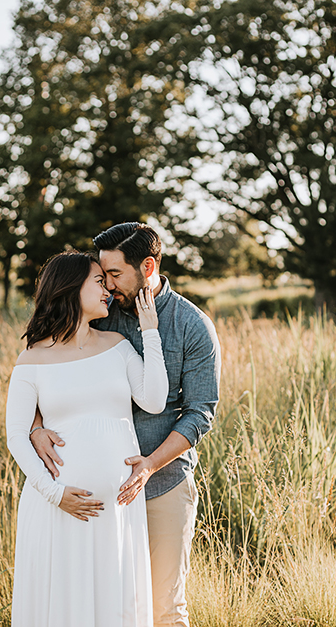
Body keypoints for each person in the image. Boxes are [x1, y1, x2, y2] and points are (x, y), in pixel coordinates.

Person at [31, 223, 221, 627]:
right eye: (102, 275)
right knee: (108, 609)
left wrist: (150, 463)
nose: (107, 284)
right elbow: (46, 364)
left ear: (147, 266)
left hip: (162, 486)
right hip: (99, 493)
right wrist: (34, 424)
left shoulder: (192, 325)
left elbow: (200, 411)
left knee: (164, 609)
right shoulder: (99, 312)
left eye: (115, 275)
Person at [6, 250, 168, 627]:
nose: (108, 289)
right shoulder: (32, 359)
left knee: (114, 604)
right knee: (62, 606)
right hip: (58, 506)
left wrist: (150, 330)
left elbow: (155, 400)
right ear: (70, 287)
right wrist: (55, 493)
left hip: (117, 508)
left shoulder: (118, 345)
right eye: (98, 281)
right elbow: (16, 436)